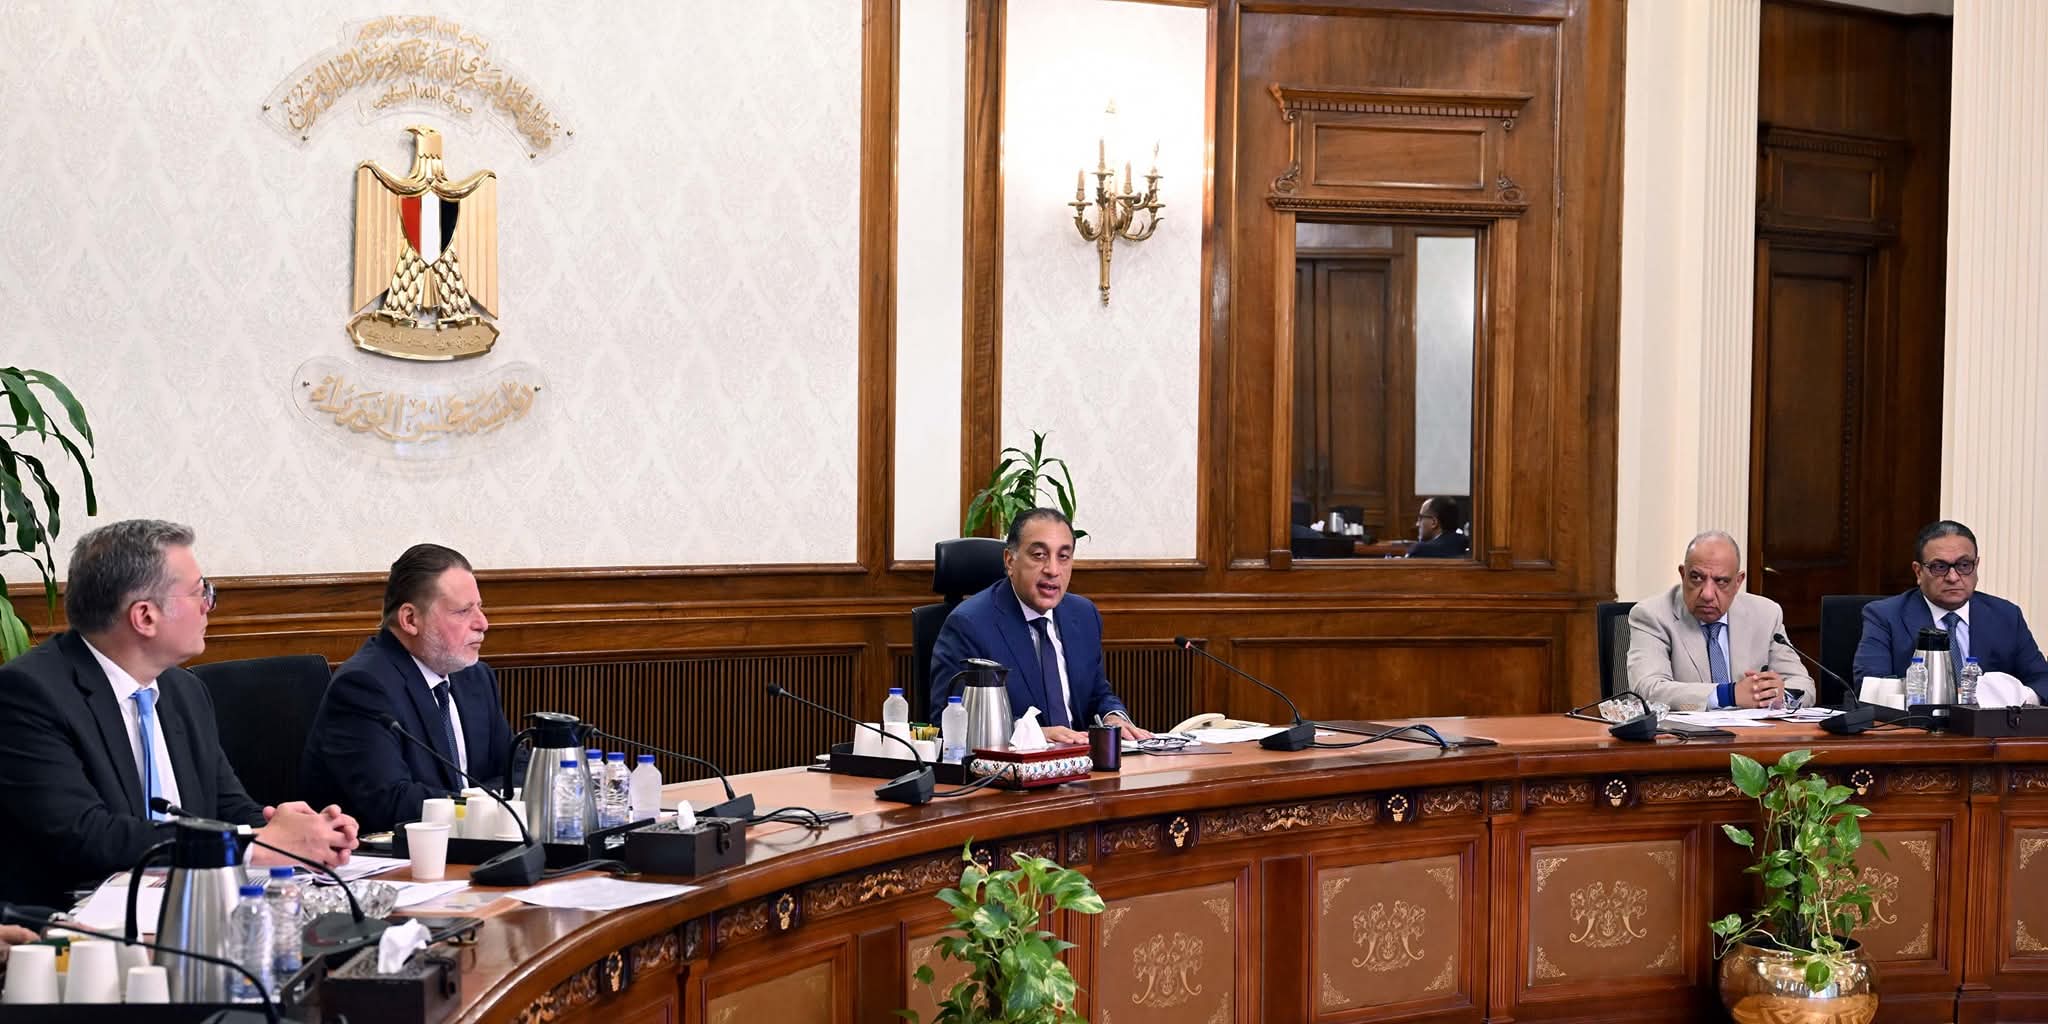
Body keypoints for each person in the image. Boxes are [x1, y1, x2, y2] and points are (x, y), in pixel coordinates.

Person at [0, 520, 358, 908]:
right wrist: (255, 845)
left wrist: (297, 830)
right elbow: (86, 835)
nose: (209, 604)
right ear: (145, 616)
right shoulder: (30, 693)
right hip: (78, 922)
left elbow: (226, 807)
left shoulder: (183, 690)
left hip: (194, 907)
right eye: (199, 591)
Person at [300, 544, 518, 832]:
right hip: (388, 852)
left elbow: (516, 768)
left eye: (480, 607)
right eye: (463, 611)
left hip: (473, 844)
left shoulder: (475, 678)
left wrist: (484, 804)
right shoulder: (363, 686)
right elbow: (391, 801)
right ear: (410, 620)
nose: (483, 623)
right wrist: (486, 806)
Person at [928, 509, 1153, 744]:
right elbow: (950, 724)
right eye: (1039, 555)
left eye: (1063, 556)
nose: (1053, 570)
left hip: (1082, 760)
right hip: (1013, 764)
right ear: (1010, 561)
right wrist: (1033, 734)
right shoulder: (969, 625)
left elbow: (1097, 693)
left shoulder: (1084, 615)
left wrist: (1113, 717)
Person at [1853, 520, 2048, 701]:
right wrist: (1949, 696)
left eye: (1964, 565)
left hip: (1991, 725)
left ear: (1976, 566)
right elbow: (1871, 685)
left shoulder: (2005, 615)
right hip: (1920, 724)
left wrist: (2013, 699)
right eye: (1939, 567)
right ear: (1918, 572)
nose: (1953, 577)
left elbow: (2042, 680)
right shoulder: (1885, 616)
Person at [1625, 530, 1812, 711]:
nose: (1707, 594)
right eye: (1696, 578)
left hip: (1752, 731)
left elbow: (1804, 685)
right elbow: (1646, 690)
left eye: (1721, 581)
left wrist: (1779, 696)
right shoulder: (1652, 615)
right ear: (1683, 574)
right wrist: (1727, 695)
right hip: (1686, 732)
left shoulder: (1765, 614)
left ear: (1738, 582)